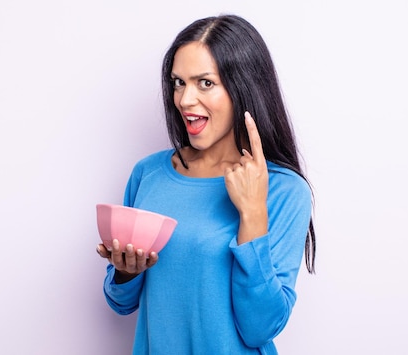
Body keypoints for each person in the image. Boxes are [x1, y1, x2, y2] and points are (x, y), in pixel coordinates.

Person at [97, 14, 316, 354]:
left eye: (205, 83)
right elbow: (120, 303)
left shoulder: (285, 191)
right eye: (179, 82)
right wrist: (125, 273)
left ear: (243, 87)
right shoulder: (148, 174)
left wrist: (253, 212)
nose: (184, 100)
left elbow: (260, 328)